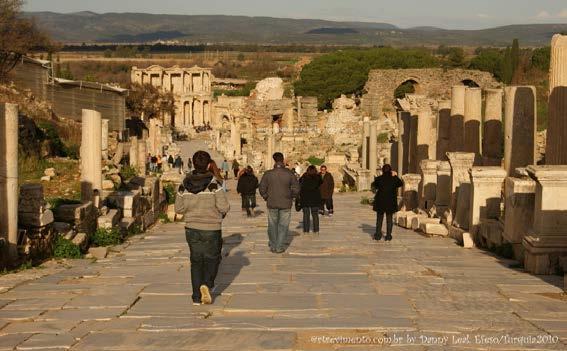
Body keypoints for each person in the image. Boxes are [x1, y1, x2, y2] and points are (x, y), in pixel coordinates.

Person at [175, 151, 230, 305]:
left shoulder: (183, 184)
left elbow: (178, 209)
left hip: (191, 228)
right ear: (208, 165)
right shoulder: (214, 185)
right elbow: (224, 206)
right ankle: (206, 283)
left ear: (192, 163)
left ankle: (196, 297)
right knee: (213, 259)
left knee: (196, 261)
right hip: (212, 228)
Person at [259, 152, 300, 253]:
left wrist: (266, 197)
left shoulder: (268, 174)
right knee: (283, 225)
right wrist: (291, 196)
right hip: (286, 203)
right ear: (283, 160)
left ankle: (273, 245)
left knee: (272, 225)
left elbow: (261, 188)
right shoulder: (289, 173)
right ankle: (279, 246)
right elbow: (297, 188)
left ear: (274, 160)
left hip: (272, 202)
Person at [372, 164, 403, 241]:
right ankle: (388, 236)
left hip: (380, 202)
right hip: (390, 203)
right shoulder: (394, 179)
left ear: (382, 170)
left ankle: (378, 235)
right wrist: (395, 175)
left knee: (379, 219)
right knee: (389, 219)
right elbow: (401, 183)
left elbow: (374, 186)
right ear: (390, 171)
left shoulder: (379, 179)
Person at [299, 165, 322, 234]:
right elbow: (321, 182)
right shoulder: (317, 177)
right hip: (315, 198)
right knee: (315, 214)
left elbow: (299, 182)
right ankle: (316, 230)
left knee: (306, 214)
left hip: (305, 197)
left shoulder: (304, 176)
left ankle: (306, 230)